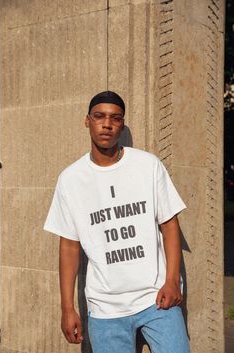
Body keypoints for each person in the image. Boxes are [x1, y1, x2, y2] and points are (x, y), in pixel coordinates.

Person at [44, 91, 190, 353]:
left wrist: (171, 281)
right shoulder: (71, 179)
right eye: (99, 116)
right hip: (105, 308)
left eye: (115, 118)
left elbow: (169, 225)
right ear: (87, 121)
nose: (107, 124)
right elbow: (68, 246)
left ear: (122, 124)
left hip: (156, 299)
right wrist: (67, 308)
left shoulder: (148, 165)